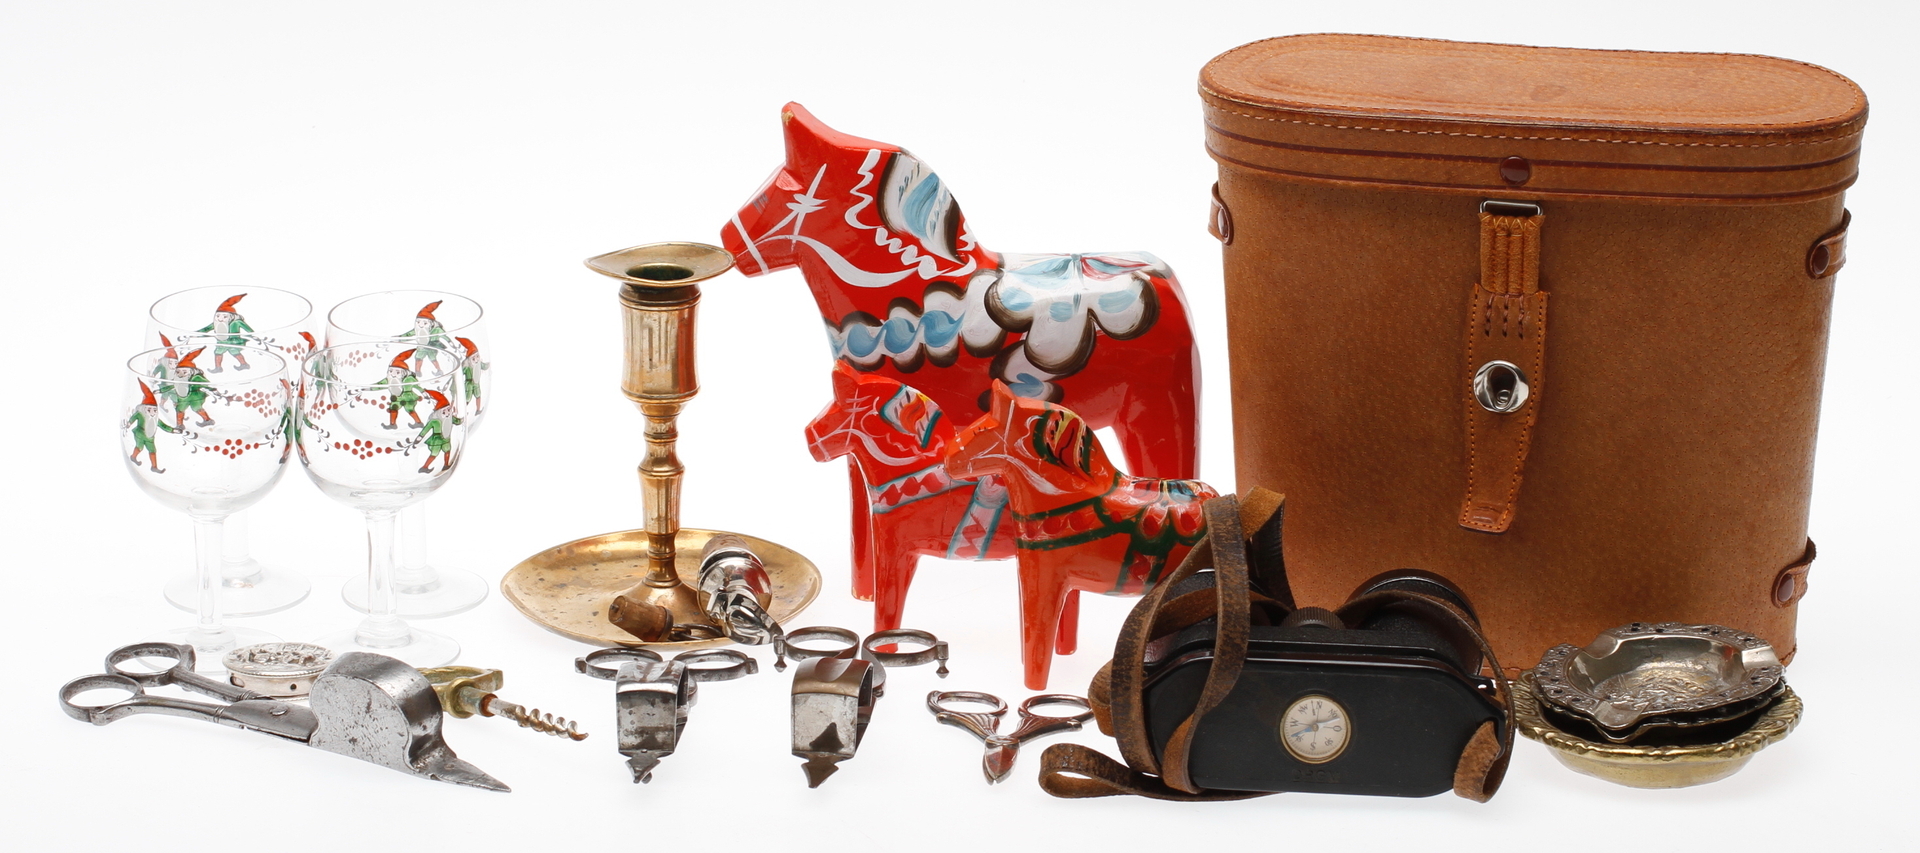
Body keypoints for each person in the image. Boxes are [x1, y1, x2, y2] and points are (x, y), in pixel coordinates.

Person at [127, 381, 177, 473]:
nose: (152, 413)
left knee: (152, 450)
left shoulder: (155, 419)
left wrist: (173, 430)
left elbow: (163, 426)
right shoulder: (140, 414)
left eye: (154, 410)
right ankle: (133, 457)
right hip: (140, 434)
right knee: (140, 447)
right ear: (144, 409)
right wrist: (129, 423)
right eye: (149, 410)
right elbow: (133, 417)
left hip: (150, 437)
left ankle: (154, 467)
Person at [197, 293, 254, 373]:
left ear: (232, 317)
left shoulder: (236, 322)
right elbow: (206, 329)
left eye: (224, 316)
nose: (220, 319)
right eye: (218, 316)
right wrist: (196, 334)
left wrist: (253, 336)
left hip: (233, 342)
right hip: (221, 342)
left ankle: (244, 364)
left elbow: (249, 330)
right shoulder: (216, 324)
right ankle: (218, 368)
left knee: (235, 352)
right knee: (218, 353)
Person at [161, 347, 216, 429]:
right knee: (179, 409)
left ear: (192, 371)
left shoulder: (196, 378)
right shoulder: (177, 380)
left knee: (197, 408)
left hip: (195, 397)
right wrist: (160, 390)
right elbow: (172, 386)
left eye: (184, 372)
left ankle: (208, 420)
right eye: (178, 372)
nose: (180, 374)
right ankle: (180, 425)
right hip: (183, 398)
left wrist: (213, 390)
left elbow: (206, 384)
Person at [415, 389, 462, 474]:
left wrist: (461, 417)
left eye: (448, 410)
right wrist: (419, 437)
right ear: (439, 412)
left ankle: (446, 465)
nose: (447, 413)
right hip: (436, 440)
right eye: (444, 411)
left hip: (446, 439)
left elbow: (458, 422)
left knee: (447, 450)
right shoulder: (434, 421)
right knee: (434, 454)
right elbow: (426, 429)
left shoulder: (450, 418)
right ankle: (424, 467)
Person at [375, 348, 422, 430]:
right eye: (391, 371)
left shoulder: (409, 379)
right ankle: (392, 424)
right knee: (393, 409)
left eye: (397, 372)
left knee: (410, 409)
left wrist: (423, 392)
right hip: (396, 398)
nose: (393, 375)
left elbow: (417, 386)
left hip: (408, 397)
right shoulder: (388, 380)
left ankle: (418, 423)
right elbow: (378, 385)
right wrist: (365, 388)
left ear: (404, 373)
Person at [401, 300, 453, 372]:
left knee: (432, 358)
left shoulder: (437, 329)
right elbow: (408, 335)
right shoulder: (417, 330)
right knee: (418, 358)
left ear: (431, 323)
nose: (421, 325)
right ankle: (417, 372)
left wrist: (450, 342)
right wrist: (399, 338)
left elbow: (444, 336)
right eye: (418, 322)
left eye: (425, 323)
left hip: (433, 346)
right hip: (422, 346)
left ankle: (439, 370)